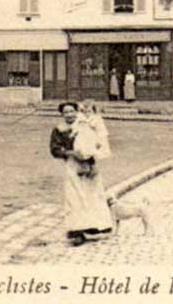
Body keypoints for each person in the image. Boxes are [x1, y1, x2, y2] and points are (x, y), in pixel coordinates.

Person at [50, 102, 114, 246]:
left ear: (76, 112)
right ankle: (76, 230)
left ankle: (94, 226)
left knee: (92, 194)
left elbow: (92, 144)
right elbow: (54, 150)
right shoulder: (59, 129)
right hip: (73, 165)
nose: (69, 115)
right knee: (75, 196)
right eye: (66, 112)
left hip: (89, 164)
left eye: (72, 111)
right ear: (62, 114)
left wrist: (91, 161)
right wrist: (72, 153)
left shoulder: (83, 126)